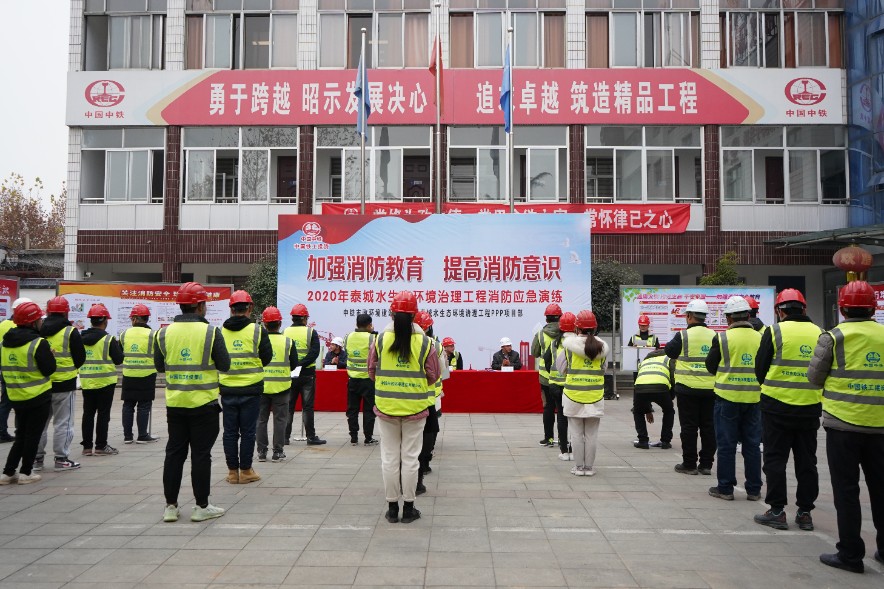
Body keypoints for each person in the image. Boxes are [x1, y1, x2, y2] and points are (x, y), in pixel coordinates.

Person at [808, 281, 884, 574]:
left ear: (842, 308)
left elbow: (814, 377)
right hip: (881, 426)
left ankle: (850, 554)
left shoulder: (833, 337)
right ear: (873, 308)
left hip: (843, 425)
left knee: (846, 490)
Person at [155, 281, 230, 523]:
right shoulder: (211, 332)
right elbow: (225, 364)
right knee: (201, 455)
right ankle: (201, 506)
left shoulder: (163, 333)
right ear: (199, 306)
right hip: (203, 404)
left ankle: (170, 506)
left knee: (174, 454)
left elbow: (159, 366)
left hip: (175, 404)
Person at [752, 288, 822, 531]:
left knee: (775, 459)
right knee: (807, 462)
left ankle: (777, 511)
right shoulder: (820, 332)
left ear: (779, 311)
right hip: (809, 407)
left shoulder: (774, 331)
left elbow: (760, 368)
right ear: (804, 309)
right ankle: (805, 513)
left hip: (776, 407)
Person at [370, 291, 439, 524]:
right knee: (410, 459)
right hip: (415, 408)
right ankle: (409, 509)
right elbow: (433, 375)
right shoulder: (426, 343)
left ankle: (392, 509)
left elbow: (371, 371)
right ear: (414, 315)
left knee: (389, 458)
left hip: (386, 407)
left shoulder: (379, 340)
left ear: (391, 313)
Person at [705, 296, 763, 502]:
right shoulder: (761, 337)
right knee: (752, 445)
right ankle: (754, 490)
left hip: (727, 398)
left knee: (727, 445)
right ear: (748, 315)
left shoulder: (722, 338)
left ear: (728, 318)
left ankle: (725, 488)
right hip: (754, 398)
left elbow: (710, 366)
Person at [219, 290, 272, 484]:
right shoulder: (257, 330)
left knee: (230, 432)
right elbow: (266, 357)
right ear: (250, 308)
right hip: (251, 389)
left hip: (227, 388)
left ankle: (232, 473)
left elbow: (217, 358)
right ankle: (246, 470)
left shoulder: (221, 331)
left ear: (231, 309)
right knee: (248, 432)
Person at [0, 301, 55, 485]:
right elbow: (49, 369)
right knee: (32, 436)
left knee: (21, 435)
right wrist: (50, 355)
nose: (42, 322)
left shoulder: (5, 343)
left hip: (16, 395)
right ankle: (26, 472)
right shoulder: (38, 343)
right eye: (39, 319)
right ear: (33, 322)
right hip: (38, 396)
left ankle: (8, 473)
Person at [666, 299, 717, 476]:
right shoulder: (715, 336)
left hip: (687, 389)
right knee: (709, 428)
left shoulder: (683, 336)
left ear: (688, 316)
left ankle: (689, 464)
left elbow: (669, 351)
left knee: (689, 427)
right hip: (711, 389)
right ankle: (706, 465)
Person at [35, 296, 85, 472]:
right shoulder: (70, 332)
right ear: (66, 313)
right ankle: (61, 459)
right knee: (63, 423)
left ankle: (37, 459)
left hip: (42, 384)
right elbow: (80, 358)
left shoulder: (39, 330)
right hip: (65, 384)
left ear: (48, 312)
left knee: (40, 423)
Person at [556, 310, 608, 476]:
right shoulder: (602, 348)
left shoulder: (568, 347)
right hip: (595, 396)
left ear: (577, 328)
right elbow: (603, 369)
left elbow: (561, 368)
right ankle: (589, 468)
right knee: (591, 435)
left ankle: (578, 467)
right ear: (594, 328)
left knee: (576, 435)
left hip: (573, 396)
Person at [79, 303, 124, 457]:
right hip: (105, 382)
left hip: (87, 382)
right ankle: (101, 446)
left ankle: (86, 447)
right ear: (105, 320)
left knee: (88, 414)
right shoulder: (108, 339)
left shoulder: (81, 338)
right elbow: (118, 359)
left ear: (91, 320)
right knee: (103, 415)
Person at [414, 310, 449, 495]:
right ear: (428, 327)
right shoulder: (435, 345)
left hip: (406, 397)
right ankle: (425, 463)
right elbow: (442, 371)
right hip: (430, 397)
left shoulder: (399, 341)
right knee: (430, 430)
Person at [257, 306, 298, 463]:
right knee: (280, 420)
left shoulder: (259, 341)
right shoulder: (288, 342)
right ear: (280, 323)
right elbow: (294, 364)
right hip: (282, 387)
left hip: (261, 387)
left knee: (261, 420)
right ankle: (277, 452)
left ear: (264, 324)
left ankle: (261, 452)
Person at [284, 304, 325, 445]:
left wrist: (294, 365)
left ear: (293, 318)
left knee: (288, 407)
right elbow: (314, 352)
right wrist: (301, 364)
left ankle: (285, 437)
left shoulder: (285, 332)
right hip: (307, 374)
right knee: (307, 407)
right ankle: (311, 437)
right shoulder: (311, 332)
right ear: (304, 318)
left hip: (290, 374)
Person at [120, 304, 159, 445]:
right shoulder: (153, 335)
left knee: (128, 405)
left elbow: (121, 352)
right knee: (144, 405)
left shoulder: (124, 334)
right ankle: (142, 435)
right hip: (147, 374)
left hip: (129, 374)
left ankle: (127, 436)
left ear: (135, 319)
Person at [543, 311, 575, 461]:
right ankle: (573, 450)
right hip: (572, 385)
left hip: (555, 385)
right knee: (574, 418)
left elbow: (547, 361)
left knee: (561, 416)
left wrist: (554, 374)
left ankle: (564, 450)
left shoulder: (555, 343)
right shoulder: (577, 344)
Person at [531, 304, 562, 447]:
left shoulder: (540, 334)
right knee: (562, 409)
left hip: (545, 377)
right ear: (560, 317)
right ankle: (562, 439)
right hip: (562, 377)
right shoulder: (566, 333)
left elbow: (535, 353)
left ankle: (548, 438)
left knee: (548, 407)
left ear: (546, 318)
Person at [345, 313, 378, 446]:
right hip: (368, 380)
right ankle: (368, 438)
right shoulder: (373, 338)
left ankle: (353, 437)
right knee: (369, 410)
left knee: (352, 409)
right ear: (370, 325)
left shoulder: (348, 337)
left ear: (356, 324)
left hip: (352, 379)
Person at [632, 349, 675, 450]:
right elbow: (673, 378)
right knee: (669, 411)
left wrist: (647, 410)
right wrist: (671, 397)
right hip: (661, 387)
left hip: (640, 387)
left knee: (637, 411)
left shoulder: (645, 361)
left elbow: (642, 380)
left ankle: (643, 441)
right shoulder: (668, 359)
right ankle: (665, 442)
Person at [0, 299, 27, 444]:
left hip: (5, 368)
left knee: (5, 402)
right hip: (21, 370)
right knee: (19, 403)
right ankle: (17, 431)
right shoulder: (22, 327)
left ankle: (2, 431)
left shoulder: (2, 324)